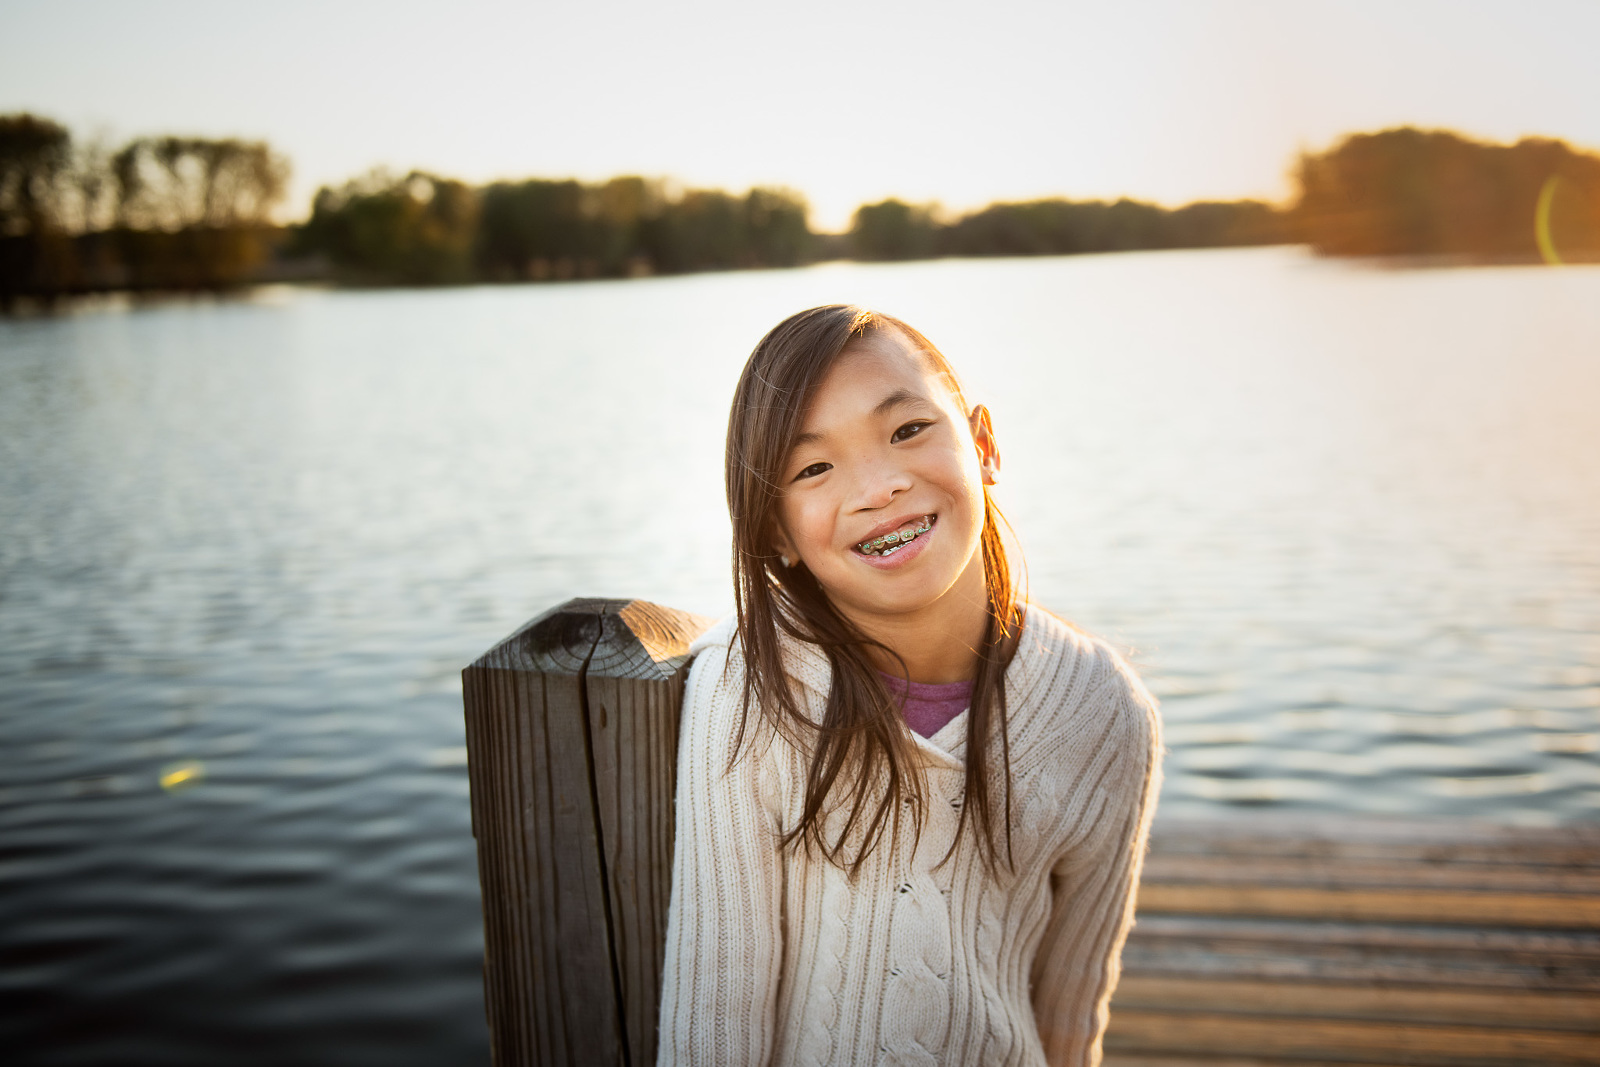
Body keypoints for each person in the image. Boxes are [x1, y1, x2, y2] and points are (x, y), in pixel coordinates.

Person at [658, 305, 1162, 1066]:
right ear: (774, 533)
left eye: (907, 430)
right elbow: (714, 1021)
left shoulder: (1104, 712)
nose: (879, 487)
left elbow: (1071, 1007)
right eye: (814, 468)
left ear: (983, 444)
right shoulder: (751, 691)